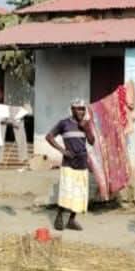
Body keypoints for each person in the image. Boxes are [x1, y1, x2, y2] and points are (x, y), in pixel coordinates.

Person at [46, 99, 95, 231]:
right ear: (72, 110)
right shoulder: (64, 123)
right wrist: (62, 151)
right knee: (66, 190)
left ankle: (71, 220)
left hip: (82, 162)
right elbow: (49, 137)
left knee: (79, 192)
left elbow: (92, 141)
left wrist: (86, 128)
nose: (81, 112)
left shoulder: (86, 124)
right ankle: (59, 216)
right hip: (68, 162)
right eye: (78, 109)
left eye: (83, 109)